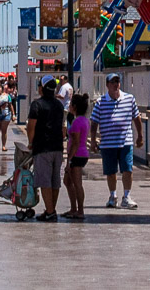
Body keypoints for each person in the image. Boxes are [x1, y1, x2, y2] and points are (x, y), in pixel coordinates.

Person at [90, 72, 143, 209]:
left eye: (117, 81)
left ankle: (127, 196)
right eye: (112, 82)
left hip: (125, 141)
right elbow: (94, 123)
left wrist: (140, 136)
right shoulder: (101, 102)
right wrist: (94, 141)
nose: (115, 84)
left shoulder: (129, 98)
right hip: (108, 143)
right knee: (111, 172)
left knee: (128, 169)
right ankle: (113, 196)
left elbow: (136, 118)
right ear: (107, 85)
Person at [26, 74, 66, 221]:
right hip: (58, 147)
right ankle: (51, 210)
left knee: (44, 181)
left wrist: (30, 142)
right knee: (55, 181)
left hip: (43, 147)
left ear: (42, 88)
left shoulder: (37, 105)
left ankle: (50, 212)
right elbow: (62, 127)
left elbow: (31, 127)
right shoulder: (59, 105)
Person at [63, 93, 90, 220]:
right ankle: (74, 208)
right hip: (81, 154)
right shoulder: (84, 120)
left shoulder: (76, 122)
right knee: (68, 181)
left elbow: (75, 142)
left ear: (74, 106)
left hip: (77, 155)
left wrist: (69, 160)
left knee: (77, 183)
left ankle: (80, 210)